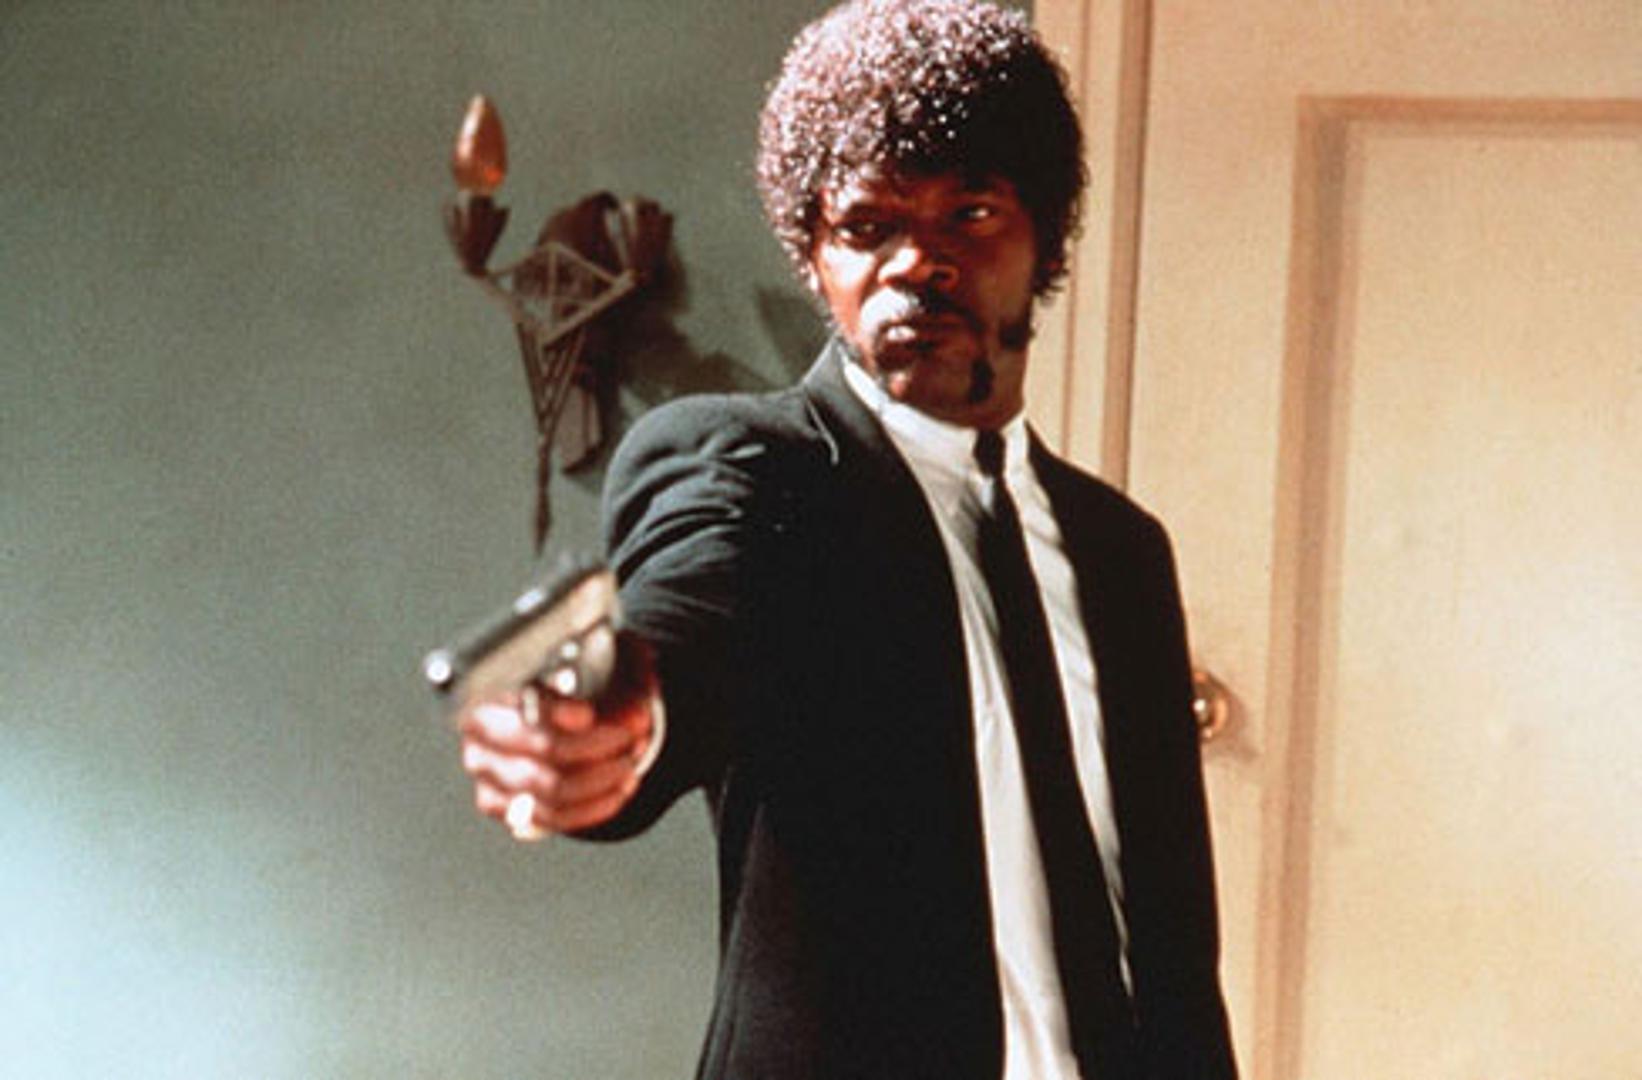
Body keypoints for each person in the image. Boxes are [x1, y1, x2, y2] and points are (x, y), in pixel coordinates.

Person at [458, 1, 1237, 1076]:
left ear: (1045, 242)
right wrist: (618, 718)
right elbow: (685, 622)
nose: (918, 262)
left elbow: (1176, 951)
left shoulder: (1121, 554)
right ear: (814, 255)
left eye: (971, 214)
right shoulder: (748, 468)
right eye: (867, 227)